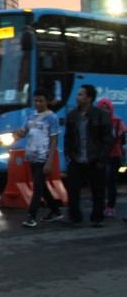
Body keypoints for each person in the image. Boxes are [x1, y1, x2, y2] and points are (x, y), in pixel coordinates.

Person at [64, 84, 113, 227]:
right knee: (73, 189)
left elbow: (107, 139)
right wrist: (69, 154)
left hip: (95, 159)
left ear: (89, 98)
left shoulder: (101, 115)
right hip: (77, 159)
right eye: (78, 94)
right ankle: (74, 216)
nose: (77, 97)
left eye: (81, 94)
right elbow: (68, 137)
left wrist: (102, 158)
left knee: (98, 191)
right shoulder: (72, 115)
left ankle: (97, 218)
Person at [13, 88, 62, 227]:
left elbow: (54, 140)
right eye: (35, 100)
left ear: (47, 101)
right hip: (31, 155)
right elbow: (23, 131)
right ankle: (55, 210)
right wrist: (17, 135)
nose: (38, 103)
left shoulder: (52, 118)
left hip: (43, 156)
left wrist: (50, 160)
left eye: (41, 100)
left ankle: (31, 216)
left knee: (38, 187)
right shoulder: (29, 115)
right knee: (41, 185)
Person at [97, 98, 126, 217]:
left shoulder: (118, 122)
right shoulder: (95, 121)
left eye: (107, 108)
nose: (104, 111)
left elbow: (122, 139)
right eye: (102, 108)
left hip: (114, 156)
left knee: (110, 182)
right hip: (99, 156)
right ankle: (100, 206)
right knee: (99, 183)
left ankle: (110, 207)